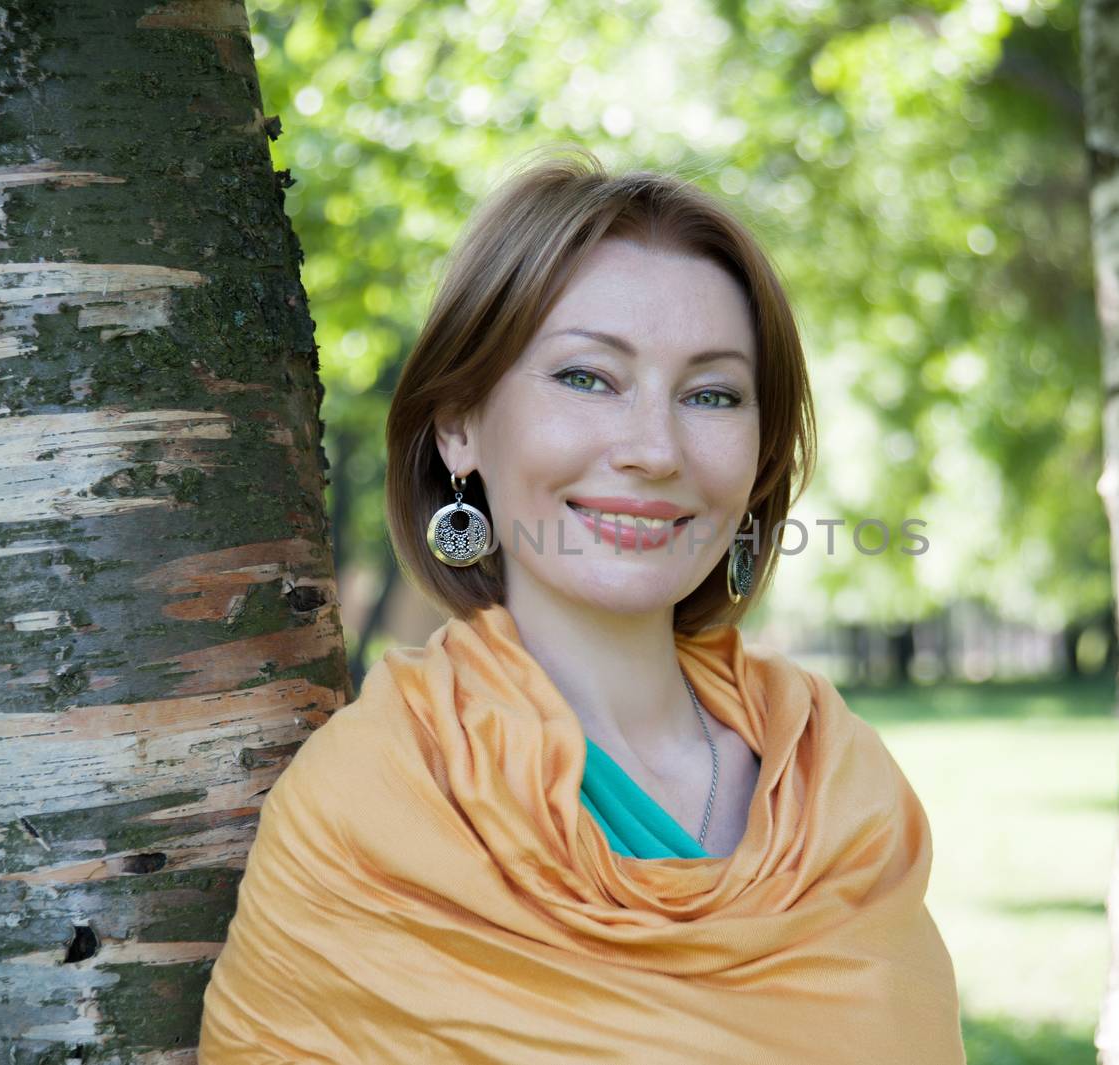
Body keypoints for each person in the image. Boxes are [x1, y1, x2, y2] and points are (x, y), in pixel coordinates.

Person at [197, 144, 967, 1063]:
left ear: (760, 455)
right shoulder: (369, 807)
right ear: (460, 425)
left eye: (712, 394)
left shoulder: (834, 784)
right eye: (586, 377)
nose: (654, 448)